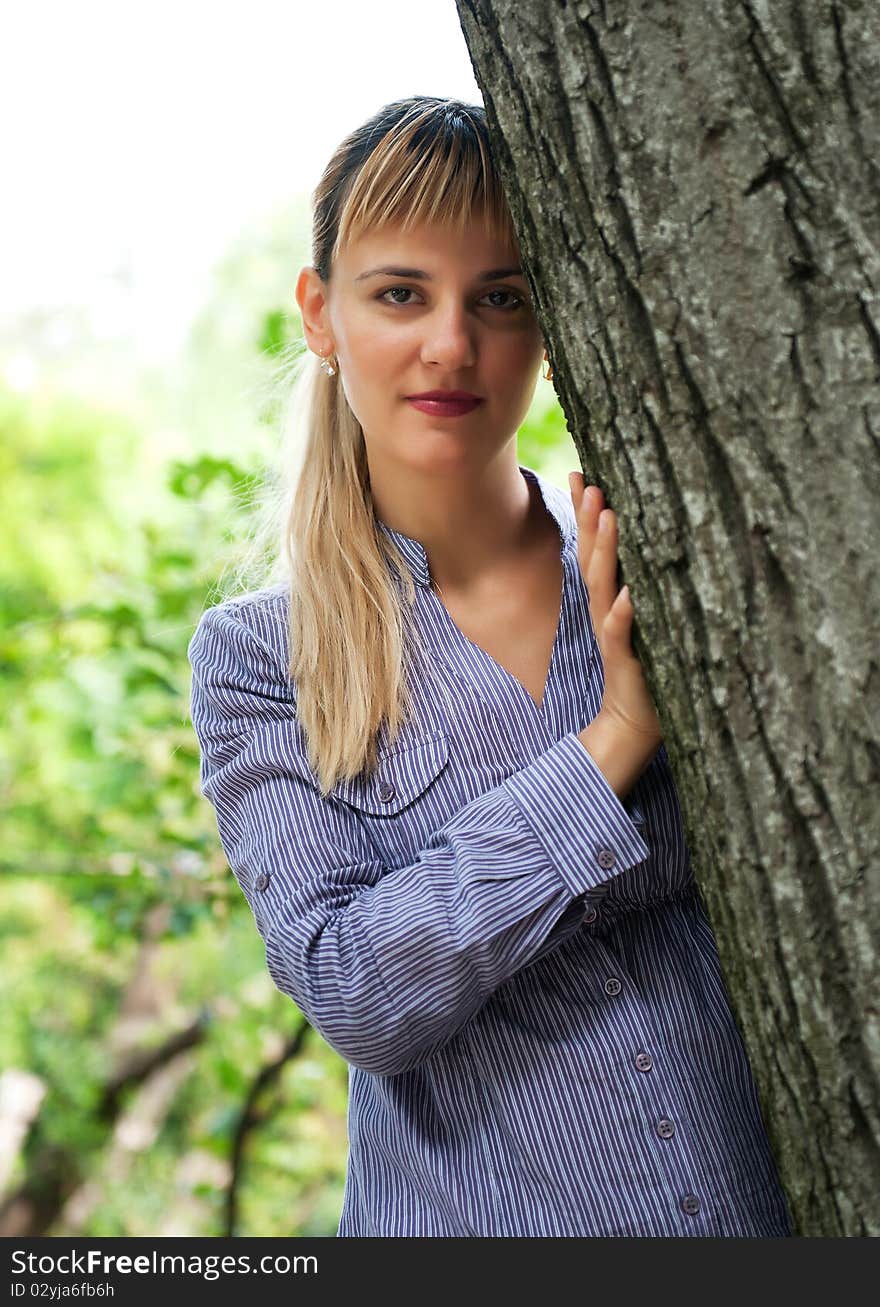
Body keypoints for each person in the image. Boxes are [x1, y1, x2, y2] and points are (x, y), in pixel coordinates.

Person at [187, 95, 793, 1238]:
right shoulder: (258, 662)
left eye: (500, 297)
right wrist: (613, 744)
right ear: (320, 314)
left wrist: (468, 912)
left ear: (553, 317)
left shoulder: (657, 559)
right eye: (401, 292)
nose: (451, 343)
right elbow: (356, 987)